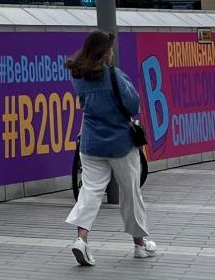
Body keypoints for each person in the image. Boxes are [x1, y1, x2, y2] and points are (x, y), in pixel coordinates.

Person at [64, 30, 158, 265]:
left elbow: (85, 104)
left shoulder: (78, 76)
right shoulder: (115, 76)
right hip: (120, 145)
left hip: (91, 143)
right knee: (131, 193)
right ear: (105, 53)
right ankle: (139, 244)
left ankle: (81, 240)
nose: (113, 52)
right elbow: (133, 104)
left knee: (90, 190)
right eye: (111, 49)